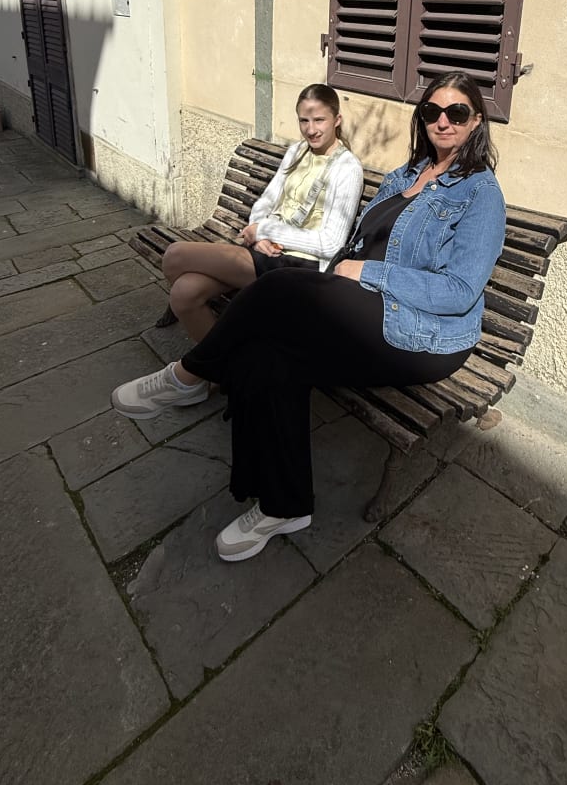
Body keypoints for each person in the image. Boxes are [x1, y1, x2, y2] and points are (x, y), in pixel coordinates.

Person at [111, 70, 506, 562]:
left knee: (277, 288)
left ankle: (191, 375)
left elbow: (459, 290)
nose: (442, 122)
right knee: (265, 353)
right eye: (432, 111)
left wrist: (365, 273)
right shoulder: (406, 175)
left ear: (476, 122)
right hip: (364, 307)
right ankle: (284, 505)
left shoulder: (480, 194)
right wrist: (340, 261)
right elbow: (357, 239)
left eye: (457, 113)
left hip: (424, 335)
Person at [156, 83, 364, 340]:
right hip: (269, 251)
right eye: (304, 121)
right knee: (184, 293)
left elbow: (331, 244)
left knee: (175, 255)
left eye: (319, 120)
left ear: (336, 120)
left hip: (300, 264)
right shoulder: (297, 151)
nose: (311, 129)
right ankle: (220, 370)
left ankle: (228, 359)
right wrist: (261, 235)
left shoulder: (347, 168)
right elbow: (265, 201)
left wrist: (264, 230)